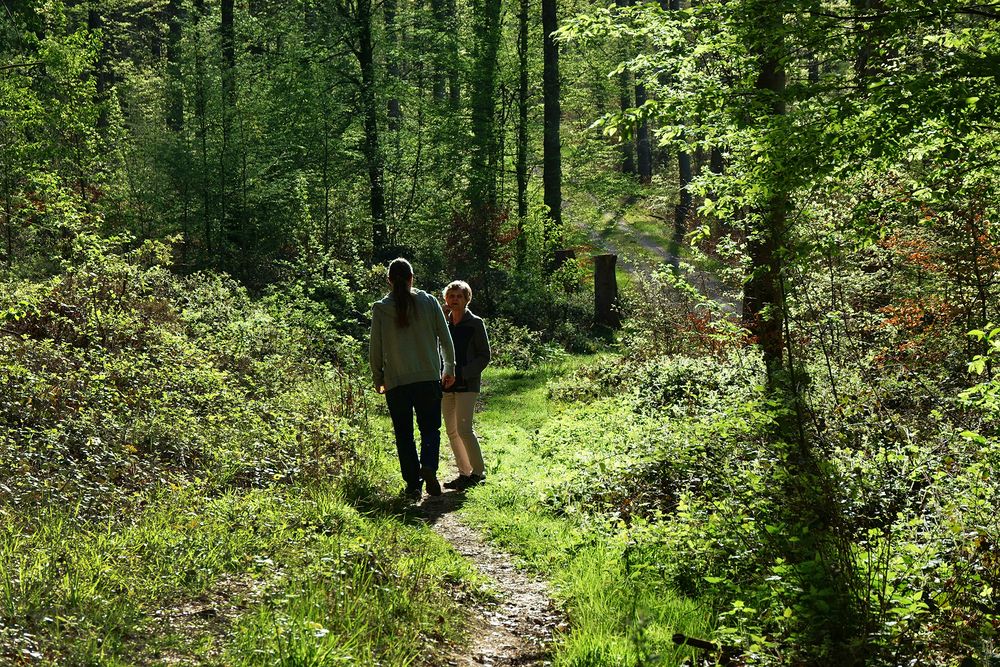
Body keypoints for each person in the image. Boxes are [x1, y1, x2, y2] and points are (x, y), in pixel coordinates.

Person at [370, 258, 456, 498]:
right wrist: (449, 368)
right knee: (430, 428)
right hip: (427, 377)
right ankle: (428, 466)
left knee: (403, 433)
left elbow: (375, 348)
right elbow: (445, 337)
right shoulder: (429, 302)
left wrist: (378, 377)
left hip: (396, 382)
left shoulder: (380, 308)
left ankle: (413, 485)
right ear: (412, 278)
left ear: (389, 281)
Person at [440, 280, 491, 490]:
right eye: (451, 296)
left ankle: (478, 473)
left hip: (467, 384)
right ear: (445, 299)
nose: (454, 300)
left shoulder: (476, 323)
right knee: (451, 431)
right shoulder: (442, 323)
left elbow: (484, 356)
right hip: (445, 384)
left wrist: (461, 374)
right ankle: (464, 473)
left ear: (467, 299)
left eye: (459, 296)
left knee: (464, 429)